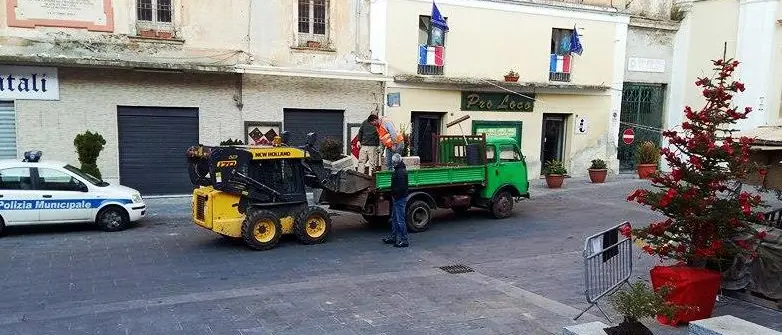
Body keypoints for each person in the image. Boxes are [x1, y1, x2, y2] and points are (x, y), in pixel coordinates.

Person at [383, 153, 409, 248]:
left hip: (399, 198)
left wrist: (395, 195)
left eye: (393, 162)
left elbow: (401, 188)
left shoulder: (400, 172)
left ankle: (404, 240)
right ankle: (393, 237)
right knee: (394, 218)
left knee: (400, 220)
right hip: (397, 198)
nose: (393, 164)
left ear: (396, 162)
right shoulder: (400, 170)